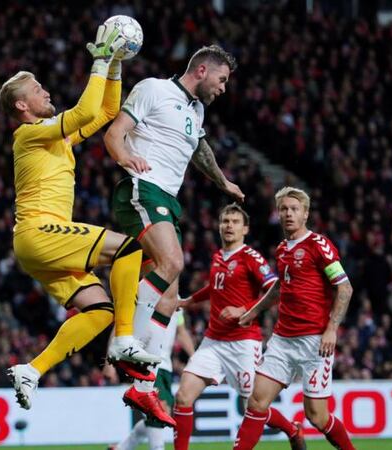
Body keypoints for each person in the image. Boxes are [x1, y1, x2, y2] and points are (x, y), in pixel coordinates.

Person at [0, 23, 160, 410]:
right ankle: (125, 339)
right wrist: (101, 59)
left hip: (38, 245)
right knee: (128, 250)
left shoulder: (56, 139)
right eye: (38, 90)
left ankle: (33, 370)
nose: (46, 91)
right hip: (40, 232)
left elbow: (104, 110)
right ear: (22, 106)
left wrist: (117, 65)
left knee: (100, 310)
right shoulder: (29, 134)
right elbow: (85, 108)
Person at [104, 44, 244, 427]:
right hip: (142, 188)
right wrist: (124, 157)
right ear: (201, 70)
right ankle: (123, 340)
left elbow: (199, 149)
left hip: (168, 198)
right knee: (173, 262)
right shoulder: (153, 88)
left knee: (170, 296)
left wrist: (223, 181)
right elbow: (114, 133)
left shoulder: (195, 110)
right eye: (222, 79)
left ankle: (143, 383)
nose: (223, 88)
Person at [173, 204, 305, 450]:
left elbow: (276, 290)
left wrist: (244, 310)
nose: (229, 226)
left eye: (234, 222)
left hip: (243, 342)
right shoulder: (217, 256)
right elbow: (215, 287)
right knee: (182, 396)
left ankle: (291, 428)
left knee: (253, 406)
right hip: (213, 342)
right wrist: (188, 301)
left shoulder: (251, 257)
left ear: (245, 229)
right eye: (225, 221)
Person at [233, 187, 355, 450]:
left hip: (315, 342)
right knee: (255, 403)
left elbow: (344, 287)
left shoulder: (318, 245)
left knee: (317, 417)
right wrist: (254, 311)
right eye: (284, 209)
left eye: (294, 209)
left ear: (305, 214)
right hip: (282, 341)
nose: (288, 214)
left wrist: (332, 329)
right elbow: (280, 287)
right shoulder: (281, 249)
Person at [109, 310, 195, 450]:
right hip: (147, 361)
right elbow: (120, 326)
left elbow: (181, 331)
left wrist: (193, 356)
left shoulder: (177, 302)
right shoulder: (147, 292)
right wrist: (109, 361)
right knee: (160, 409)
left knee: (160, 413)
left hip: (166, 366)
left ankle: (122, 448)